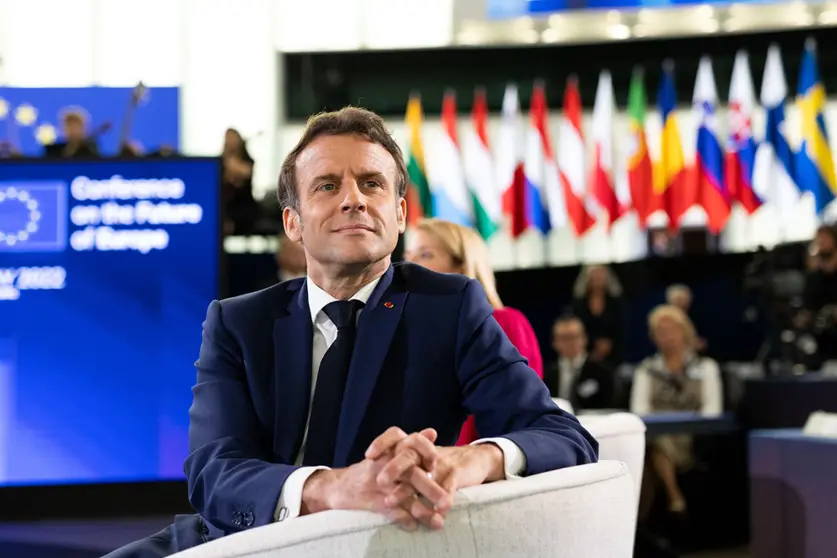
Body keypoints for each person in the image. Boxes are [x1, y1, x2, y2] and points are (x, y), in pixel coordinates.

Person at [105, 107, 597, 557]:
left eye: (372, 184)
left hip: (383, 542)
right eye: (326, 186)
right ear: (293, 223)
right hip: (241, 540)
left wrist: (470, 461)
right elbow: (214, 472)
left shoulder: (449, 307)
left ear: (400, 215)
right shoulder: (239, 321)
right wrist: (333, 488)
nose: (354, 200)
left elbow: (564, 437)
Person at [403, 218, 543, 445]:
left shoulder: (504, 322)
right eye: (408, 256)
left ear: (461, 266)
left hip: (479, 466)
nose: (410, 265)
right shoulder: (405, 329)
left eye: (425, 255)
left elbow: (517, 413)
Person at [630, 305, 722, 516]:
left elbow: (712, 411)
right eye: (661, 332)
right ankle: (674, 499)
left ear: (685, 332)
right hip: (656, 435)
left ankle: (667, 503)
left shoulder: (706, 367)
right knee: (655, 445)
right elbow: (640, 411)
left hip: (693, 438)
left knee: (652, 452)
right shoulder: (647, 370)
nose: (667, 337)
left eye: (672, 330)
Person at [545, 315, 615, 412]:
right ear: (555, 342)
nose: (569, 343)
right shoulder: (546, 374)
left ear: (584, 339)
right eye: (564, 338)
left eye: (573, 337)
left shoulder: (602, 372)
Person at [571, 265, 624, 365]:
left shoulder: (616, 302)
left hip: (613, 354)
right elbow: (577, 329)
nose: (597, 278)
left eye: (600, 274)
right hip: (585, 354)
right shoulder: (579, 304)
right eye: (594, 275)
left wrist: (607, 345)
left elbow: (621, 328)